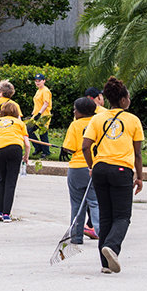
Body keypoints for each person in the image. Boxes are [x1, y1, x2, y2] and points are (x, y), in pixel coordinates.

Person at [82, 77, 144, 274]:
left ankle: (105, 264)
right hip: (121, 171)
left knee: (106, 215)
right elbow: (138, 153)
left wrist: (92, 166)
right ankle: (112, 247)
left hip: (100, 169)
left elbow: (85, 146)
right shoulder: (133, 120)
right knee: (123, 216)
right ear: (124, 100)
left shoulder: (97, 118)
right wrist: (140, 177)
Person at [61, 96, 100, 245]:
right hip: (94, 166)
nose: (73, 111)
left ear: (81, 111)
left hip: (76, 168)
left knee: (77, 203)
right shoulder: (98, 122)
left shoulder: (75, 125)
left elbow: (70, 148)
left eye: (75, 109)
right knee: (95, 202)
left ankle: (76, 237)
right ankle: (102, 232)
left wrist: (65, 149)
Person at [28, 73, 53, 158]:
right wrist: (33, 113)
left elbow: (46, 103)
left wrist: (39, 113)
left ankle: (46, 152)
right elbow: (38, 103)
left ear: (44, 81)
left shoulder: (46, 91)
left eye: (39, 81)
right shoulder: (38, 90)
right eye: (36, 81)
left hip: (44, 116)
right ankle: (38, 148)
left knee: (43, 134)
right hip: (36, 115)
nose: (37, 82)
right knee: (28, 130)